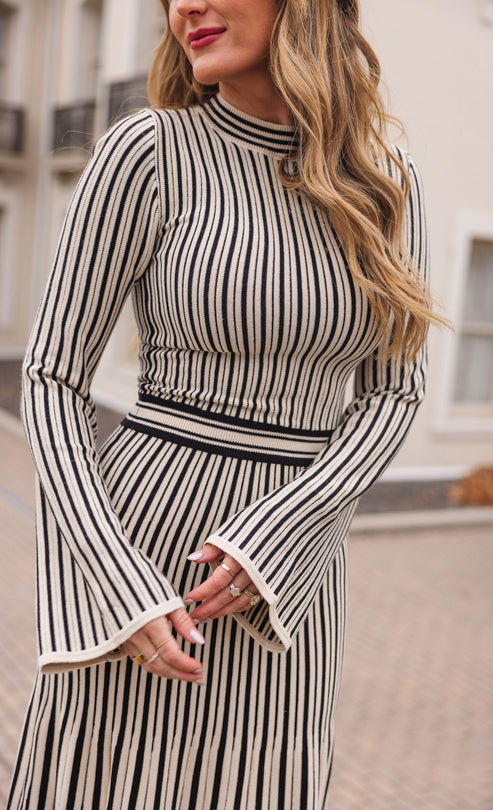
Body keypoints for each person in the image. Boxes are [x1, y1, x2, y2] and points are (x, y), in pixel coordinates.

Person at [8, 1, 444, 808]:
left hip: (288, 586)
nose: (185, 9)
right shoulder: (146, 152)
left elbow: (393, 394)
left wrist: (275, 536)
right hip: (146, 568)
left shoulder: (388, 182)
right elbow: (51, 377)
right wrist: (116, 581)